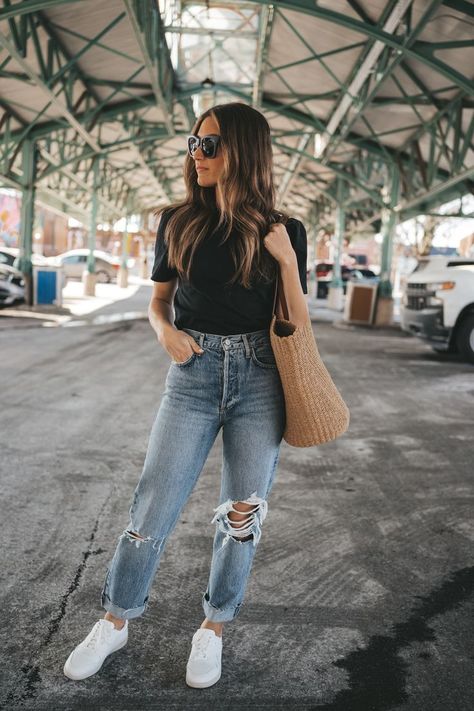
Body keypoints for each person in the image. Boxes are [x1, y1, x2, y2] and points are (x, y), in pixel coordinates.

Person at [63, 101, 309, 688]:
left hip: (260, 380)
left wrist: (288, 262)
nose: (197, 154)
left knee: (242, 516)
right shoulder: (177, 223)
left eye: (210, 145)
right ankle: (116, 620)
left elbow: (296, 321)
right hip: (192, 377)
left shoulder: (282, 230)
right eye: (195, 144)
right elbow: (157, 303)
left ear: (243, 152)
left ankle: (214, 627)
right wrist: (167, 333)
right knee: (153, 507)